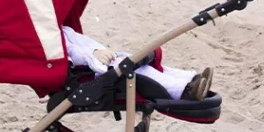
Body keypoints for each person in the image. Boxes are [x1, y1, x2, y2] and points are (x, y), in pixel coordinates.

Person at [61, 25, 213, 101]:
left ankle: (190, 79)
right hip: (90, 70)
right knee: (139, 72)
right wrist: (92, 54)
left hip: (102, 60)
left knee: (147, 65)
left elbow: (79, 40)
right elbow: (67, 51)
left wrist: (96, 49)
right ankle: (184, 91)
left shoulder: (59, 29)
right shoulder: (50, 39)